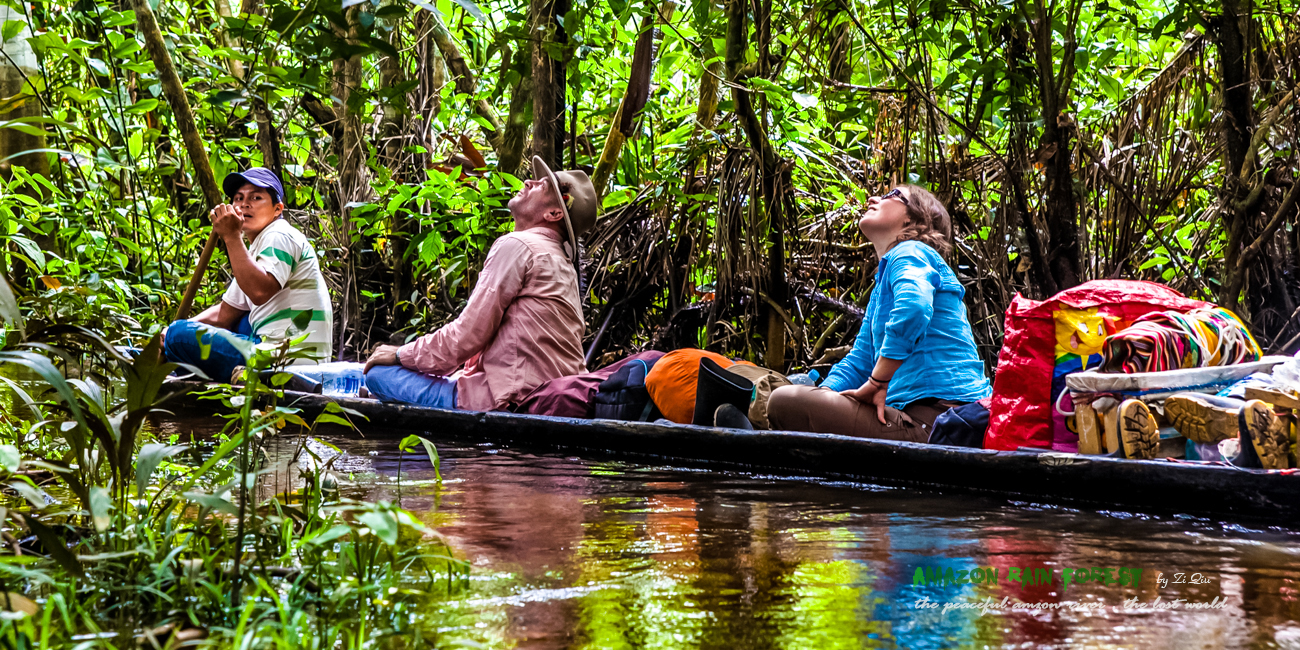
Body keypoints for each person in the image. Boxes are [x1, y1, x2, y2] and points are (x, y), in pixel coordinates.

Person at [361, 157, 596, 411]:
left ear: (554, 213)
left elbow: (465, 337)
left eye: (543, 186)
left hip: (512, 400)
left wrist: (399, 354)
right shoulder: (562, 262)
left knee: (377, 376)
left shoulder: (518, 245)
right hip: (555, 396)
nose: (528, 182)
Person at [767, 184, 991, 441]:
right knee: (793, 398)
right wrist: (824, 396)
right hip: (914, 419)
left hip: (939, 422)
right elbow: (859, 363)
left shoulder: (911, 251)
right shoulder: (884, 283)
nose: (874, 198)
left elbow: (915, 308)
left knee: (784, 400)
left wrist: (878, 382)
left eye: (892, 195)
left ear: (914, 219)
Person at [164, 167, 333, 381]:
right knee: (230, 321)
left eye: (256, 197)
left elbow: (259, 291)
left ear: (277, 209)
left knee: (179, 338)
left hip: (288, 361)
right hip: (271, 352)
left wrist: (231, 236)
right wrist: (165, 334)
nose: (244, 204)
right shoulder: (254, 251)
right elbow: (223, 315)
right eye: (238, 198)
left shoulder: (279, 234)